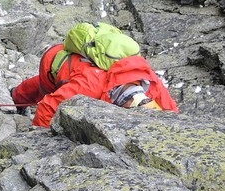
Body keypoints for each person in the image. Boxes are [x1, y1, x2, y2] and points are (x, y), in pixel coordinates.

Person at [10, 24, 178, 127]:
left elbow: (172, 116)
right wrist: (37, 141)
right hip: (56, 62)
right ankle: (17, 97)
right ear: (120, 103)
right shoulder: (91, 86)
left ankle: (18, 93)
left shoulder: (151, 83)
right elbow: (47, 107)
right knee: (46, 90)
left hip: (82, 67)